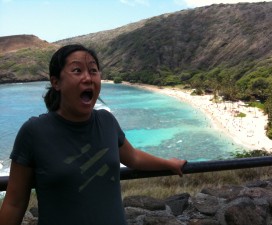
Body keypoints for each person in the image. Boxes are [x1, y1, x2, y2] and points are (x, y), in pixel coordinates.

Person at [0, 44, 187, 225]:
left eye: (93, 70)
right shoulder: (34, 132)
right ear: (56, 82)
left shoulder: (107, 121)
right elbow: (14, 203)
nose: (88, 78)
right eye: (77, 71)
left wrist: (168, 163)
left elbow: (134, 157)